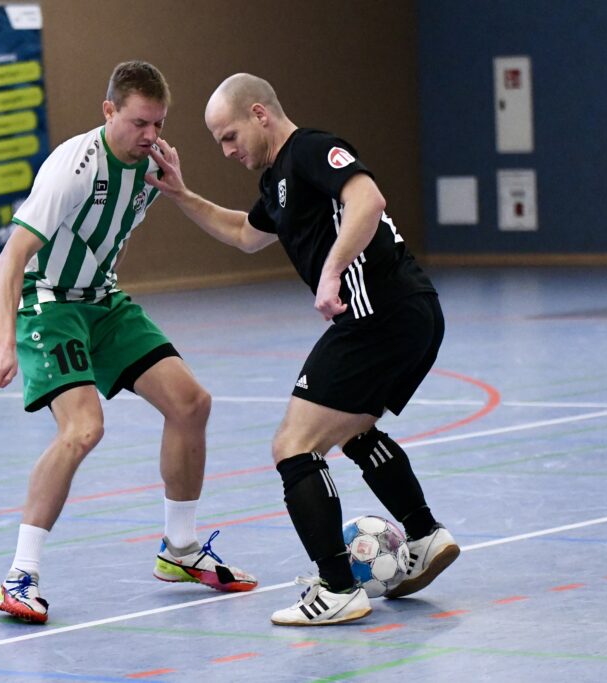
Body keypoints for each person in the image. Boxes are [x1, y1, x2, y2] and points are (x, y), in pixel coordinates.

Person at [146, 73, 459, 626]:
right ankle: (425, 535)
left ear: (260, 114)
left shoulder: (310, 149)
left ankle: (337, 587)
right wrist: (179, 193)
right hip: (408, 315)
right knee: (354, 431)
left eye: (229, 135)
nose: (228, 150)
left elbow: (368, 199)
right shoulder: (278, 183)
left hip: (378, 316)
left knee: (293, 447)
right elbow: (245, 233)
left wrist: (332, 272)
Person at [0, 61, 257, 625]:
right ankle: (19, 576)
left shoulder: (153, 163)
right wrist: (4, 343)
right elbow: (12, 257)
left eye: (158, 123)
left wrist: (178, 191)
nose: (151, 135)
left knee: (191, 403)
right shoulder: (74, 167)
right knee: (84, 428)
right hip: (50, 301)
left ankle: (180, 551)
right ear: (109, 112)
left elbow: (113, 232)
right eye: (138, 123)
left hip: (101, 300)